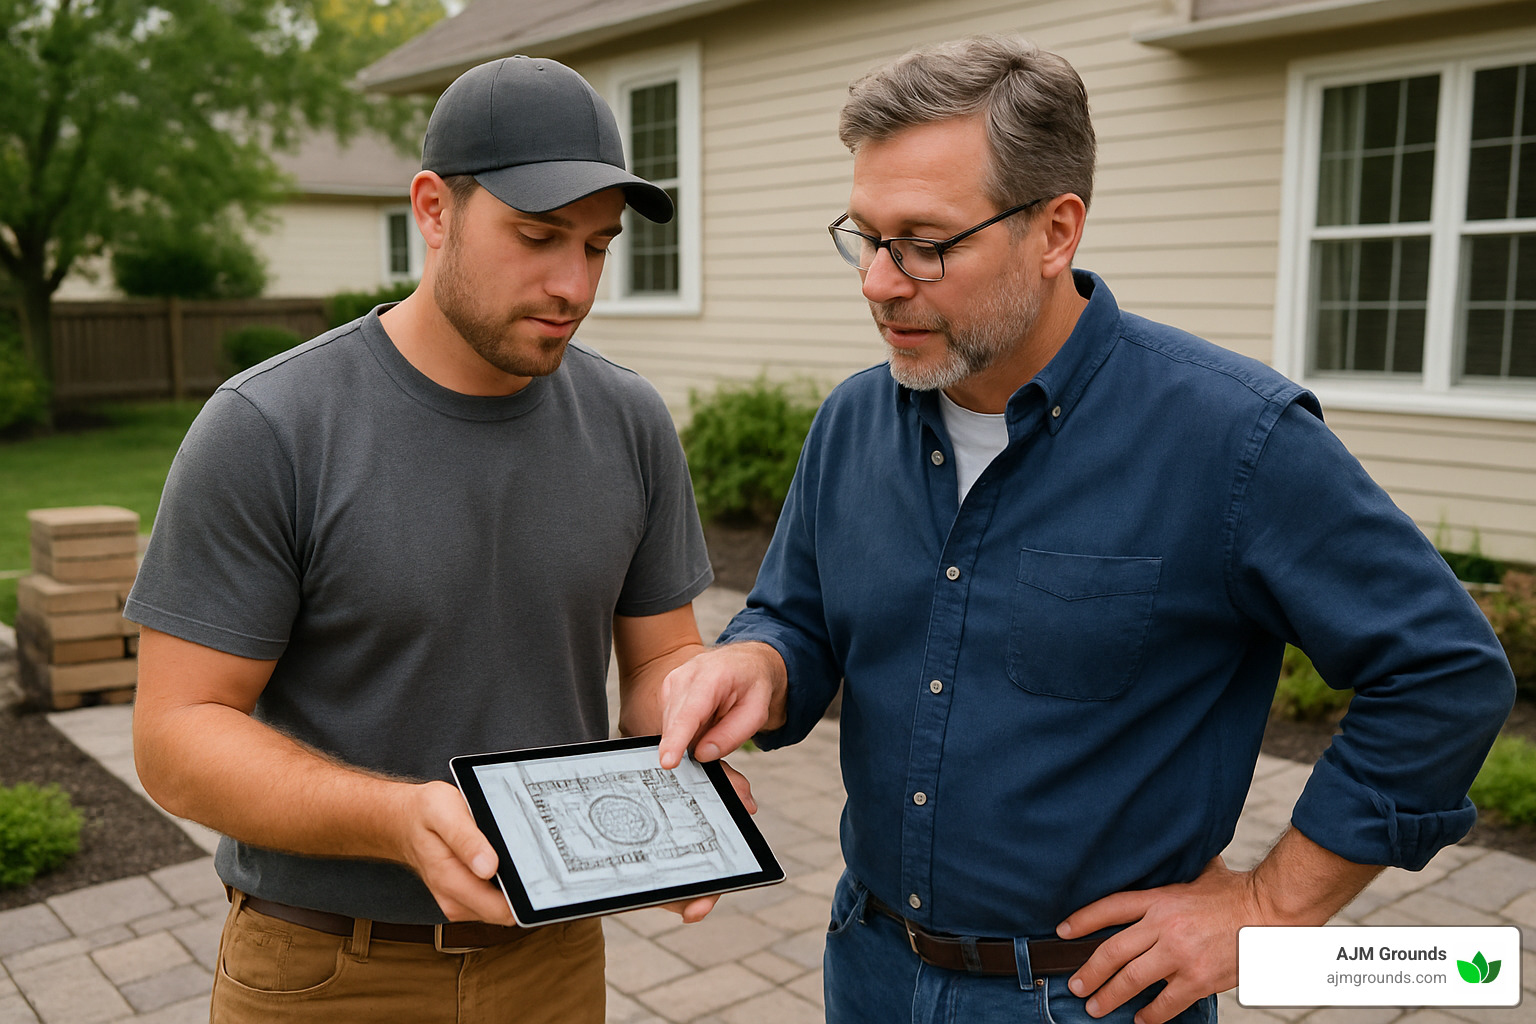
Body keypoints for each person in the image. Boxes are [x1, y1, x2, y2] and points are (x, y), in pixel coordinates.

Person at [658, 35, 1516, 1024]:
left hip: (1091, 1001)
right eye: (866, 235)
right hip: (869, 964)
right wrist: (759, 663)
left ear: (1056, 229)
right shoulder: (854, 418)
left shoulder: (1233, 437)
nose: (879, 283)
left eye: (925, 242)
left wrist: (1274, 905)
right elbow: (796, 616)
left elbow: (1445, 671)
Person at [128, 56, 725, 1024]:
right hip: (324, 965)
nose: (573, 284)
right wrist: (398, 819)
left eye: (598, 246)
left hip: (556, 957)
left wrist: (682, 758)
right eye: (536, 236)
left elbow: (662, 654)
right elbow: (174, 737)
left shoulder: (630, 419)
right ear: (434, 210)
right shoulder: (270, 426)